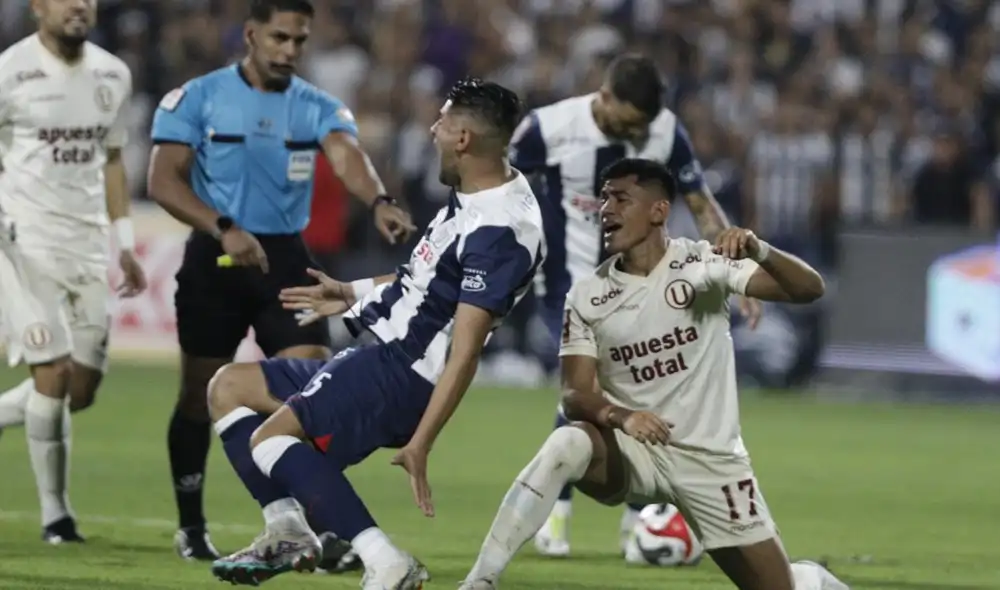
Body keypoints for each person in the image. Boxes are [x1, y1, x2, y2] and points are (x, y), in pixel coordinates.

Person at [203, 77, 542, 588]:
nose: (433, 129)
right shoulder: (477, 196)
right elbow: (422, 279)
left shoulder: (501, 229)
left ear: (464, 138)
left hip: (401, 374)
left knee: (270, 441)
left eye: (444, 120)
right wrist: (348, 291)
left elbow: (465, 350)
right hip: (384, 357)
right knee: (229, 387)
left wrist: (423, 440)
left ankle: (385, 561)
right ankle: (287, 530)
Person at [460, 158, 848, 590]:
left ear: (659, 211)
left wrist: (760, 249)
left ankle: (818, 582)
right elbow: (574, 395)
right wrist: (622, 417)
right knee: (567, 441)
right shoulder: (588, 296)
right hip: (635, 453)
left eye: (621, 198)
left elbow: (809, 289)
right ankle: (480, 581)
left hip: (711, 462)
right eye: (604, 198)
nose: (606, 209)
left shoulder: (703, 265)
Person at [146, 0, 415, 560]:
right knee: (200, 395)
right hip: (214, 259)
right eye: (279, 38)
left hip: (284, 263)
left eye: (299, 41)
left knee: (312, 391)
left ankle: (320, 528)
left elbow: (347, 158)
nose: (290, 50)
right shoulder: (199, 98)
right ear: (250, 35)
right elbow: (163, 182)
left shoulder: (316, 106)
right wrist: (223, 228)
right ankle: (192, 526)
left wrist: (379, 200)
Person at [509, 52, 762, 557]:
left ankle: (639, 524)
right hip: (570, 283)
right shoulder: (548, 128)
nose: (638, 134)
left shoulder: (665, 130)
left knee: (646, 391)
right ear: (605, 99)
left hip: (640, 285)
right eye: (628, 123)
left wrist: (738, 273)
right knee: (589, 392)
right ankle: (554, 515)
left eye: (643, 127)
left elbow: (699, 201)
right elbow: (501, 188)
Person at [0, 0, 146, 543]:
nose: (79, 5)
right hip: (21, 245)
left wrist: (125, 244)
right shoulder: (10, 70)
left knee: (77, 390)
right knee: (52, 374)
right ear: (38, 6)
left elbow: (112, 161)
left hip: (85, 245)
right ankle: (56, 515)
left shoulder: (113, 74)